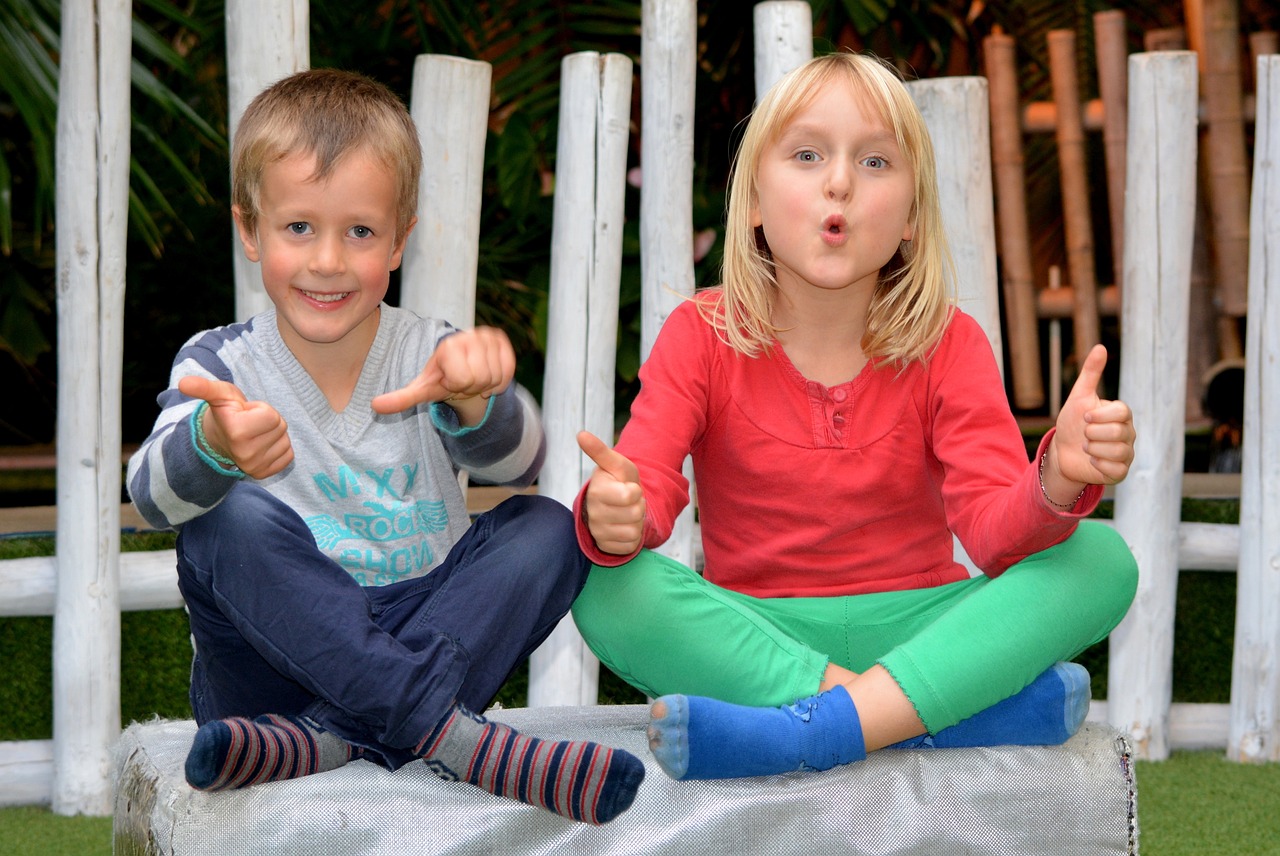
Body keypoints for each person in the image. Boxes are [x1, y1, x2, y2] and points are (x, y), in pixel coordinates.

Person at [571, 52, 1139, 781]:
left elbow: (998, 537)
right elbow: (644, 485)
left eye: (874, 162)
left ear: (909, 219)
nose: (838, 181)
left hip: (927, 628)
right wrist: (615, 515)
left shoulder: (950, 341)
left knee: (1102, 560)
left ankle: (808, 730)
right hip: (762, 633)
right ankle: (929, 716)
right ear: (752, 202)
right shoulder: (700, 333)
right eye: (807, 155)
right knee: (597, 580)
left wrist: (1059, 475)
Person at [126, 68, 642, 824]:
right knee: (222, 522)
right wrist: (211, 442)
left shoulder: (432, 351)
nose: (328, 260)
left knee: (547, 528)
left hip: (418, 631)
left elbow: (520, 463)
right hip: (263, 670)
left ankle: (332, 739)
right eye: (298, 226)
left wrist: (476, 400)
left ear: (400, 239)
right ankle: (449, 738)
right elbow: (148, 499)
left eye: (360, 231)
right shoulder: (218, 365)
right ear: (249, 229)